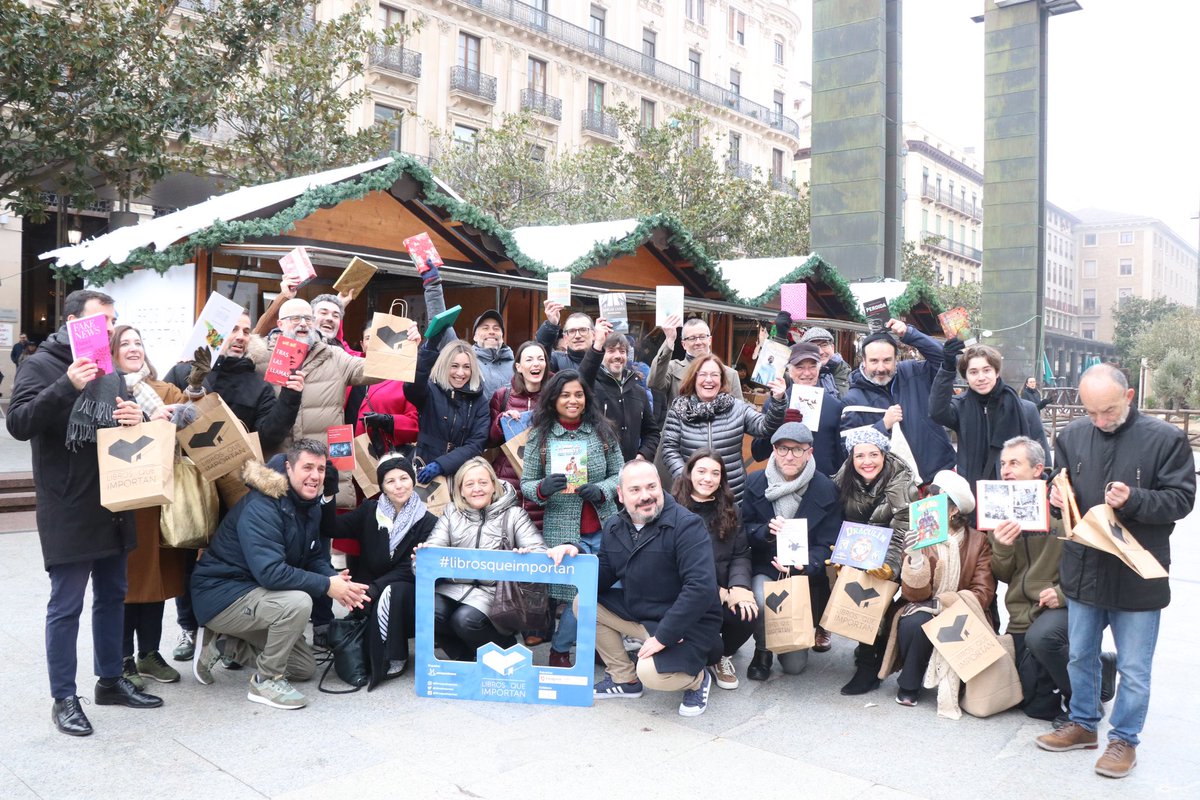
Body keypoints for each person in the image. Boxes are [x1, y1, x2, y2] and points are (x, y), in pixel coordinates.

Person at [7, 290, 163, 736]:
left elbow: (111, 427)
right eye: (102, 320)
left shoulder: (109, 369)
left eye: (113, 321)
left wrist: (132, 417)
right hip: (68, 505)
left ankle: (110, 680)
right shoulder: (40, 364)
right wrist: (68, 384)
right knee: (66, 605)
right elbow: (19, 424)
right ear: (74, 321)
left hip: (113, 498)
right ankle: (63, 698)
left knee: (114, 594)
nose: (110, 329)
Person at [1035, 364, 1195, 779]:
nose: (1100, 421)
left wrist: (1134, 499)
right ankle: (1084, 724)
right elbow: (1062, 488)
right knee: (1080, 655)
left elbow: (1182, 500)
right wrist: (1055, 495)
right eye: (1091, 412)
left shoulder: (1166, 439)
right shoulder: (1070, 435)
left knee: (1135, 668)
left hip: (1138, 570)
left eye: (1107, 411)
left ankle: (1124, 739)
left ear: (1128, 397)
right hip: (1085, 565)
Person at [164, 311, 304, 662]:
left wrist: (289, 396)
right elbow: (162, 412)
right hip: (190, 483)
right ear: (213, 335)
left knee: (235, 560)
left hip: (235, 487)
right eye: (232, 330)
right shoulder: (184, 370)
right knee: (187, 557)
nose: (240, 336)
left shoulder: (258, 384)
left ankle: (231, 637)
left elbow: (270, 435)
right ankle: (189, 628)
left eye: (245, 331)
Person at [191, 441, 368, 709]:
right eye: (307, 467)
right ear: (288, 467)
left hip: (257, 593)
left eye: (320, 468)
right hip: (221, 595)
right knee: (298, 603)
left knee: (303, 668)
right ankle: (265, 681)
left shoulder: (310, 505)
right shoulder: (263, 506)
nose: (315, 476)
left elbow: (312, 557)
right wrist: (326, 585)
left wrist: (337, 581)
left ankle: (224, 645)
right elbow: (271, 573)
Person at [991, 436, 1116, 725]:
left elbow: (1092, 559)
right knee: (1037, 707)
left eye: (1014, 463)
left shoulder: (1062, 501)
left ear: (1037, 469)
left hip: (1065, 604)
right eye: (1002, 464)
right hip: (1021, 613)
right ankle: (1102, 666)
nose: (1006, 470)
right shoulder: (997, 508)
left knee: (1043, 639)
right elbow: (1003, 575)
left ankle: (1086, 701)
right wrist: (1002, 545)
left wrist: (1060, 593)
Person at [587, 460, 723, 718]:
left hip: (688, 622)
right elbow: (601, 575)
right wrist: (575, 555)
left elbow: (700, 588)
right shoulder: (614, 526)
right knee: (583, 602)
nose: (645, 495)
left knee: (650, 673)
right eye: (635, 490)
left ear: (661, 486)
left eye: (651, 487)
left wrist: (666, 635)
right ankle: (624, 679)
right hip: (643, 612)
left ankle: (697, 679)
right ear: (620, 494)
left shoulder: (687, 525)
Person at [521, 370, 624, 667]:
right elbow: (527, 482)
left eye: (578, 394)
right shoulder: (540, 436)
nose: (573, 400)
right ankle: (561, 649)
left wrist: (602, 490)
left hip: (605, 525)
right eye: (565, 395)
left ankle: (598, 646)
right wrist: (542, 488)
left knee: (606, 591)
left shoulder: (601, 430)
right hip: (565, 530)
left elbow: (621, 472)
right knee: (578, 593)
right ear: (553, 399)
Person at [421, 458, 570, 660]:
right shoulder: (451, 514)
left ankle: (505, 649)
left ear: (494, 485)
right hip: (454, 588)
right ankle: (464, 659)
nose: (477, 489)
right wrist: (423, 556)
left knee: (464, 619)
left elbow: (539, 554)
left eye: (483, 483)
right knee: (425, 610)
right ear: (461, 491)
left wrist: (525, 557)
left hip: (498, 594)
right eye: (469, 484)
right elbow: (425, 562)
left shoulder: (514, 514)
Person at [110, 325, 192, 689]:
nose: (133, 348)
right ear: (110, 352)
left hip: (161, 500)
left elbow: (193, 419)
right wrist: (146, 421)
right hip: (125, 501)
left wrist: (183, 409)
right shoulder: (106, 390)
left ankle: (150, 653)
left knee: (158, 578)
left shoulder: (163, 390)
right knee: (128, 581)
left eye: (138, 342)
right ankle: (123, 658)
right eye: (124, 343)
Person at [879, 471, 995, 712]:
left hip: (962, 608)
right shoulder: (920, 534)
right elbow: (913, 595)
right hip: (923, 603)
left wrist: (942, 604)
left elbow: (983, 592)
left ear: (953, 510)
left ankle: (960, 684)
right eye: (928, 494)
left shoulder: (978, 541)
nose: (927, 500)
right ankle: (909, 685)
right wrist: (916, 557)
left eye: (935, 496)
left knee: (941, 619)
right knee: (915, 620)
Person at [323, 451, 437, 687]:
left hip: (402, 592)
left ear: (412, 480)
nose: (399, 486)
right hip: (367, 590)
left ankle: (395, 654)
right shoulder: (369, 511)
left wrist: (374, 589)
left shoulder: (427, 520)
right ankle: (374, 650)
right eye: (390, 481)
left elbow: (410, 567)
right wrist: (328, 493)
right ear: (382, 486)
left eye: (404, 478)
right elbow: (331, 527)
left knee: (395, 590)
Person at [742, 423, 844, 680]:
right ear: (774, 451)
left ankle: (793, 641)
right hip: (765, 566)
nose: (789, 456)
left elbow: (828, 541)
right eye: (783, 449)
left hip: (804, 576)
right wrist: (764, 531)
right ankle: (762, 650)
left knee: (794, 667)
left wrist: (806, 564)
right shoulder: (755, 481)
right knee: (761, 598)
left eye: (797, 450)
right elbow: (741, 528)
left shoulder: (825, 487)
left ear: (809, 452)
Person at [834, 426, 919, 695]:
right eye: (859, 456)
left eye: (873, 454)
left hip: (894, 549)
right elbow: (833, 514)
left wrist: (889, 567)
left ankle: (870, 666)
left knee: (871, 593)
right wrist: (837, 549)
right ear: (851, 459)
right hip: (857, 548)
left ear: (884, 455)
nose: (866, 461)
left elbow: (903, 529)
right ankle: (868, 647)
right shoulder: (843, 478)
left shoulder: (901, 481)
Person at [670, 450, 756, 690]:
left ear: (722, 479)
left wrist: (739, 586)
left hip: (724, 590)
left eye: (715, 473)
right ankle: (710, 652)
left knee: (747, 614)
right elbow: (667, 561)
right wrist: (711, 589)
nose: (708, 478)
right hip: (684, 594)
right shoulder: (672, 508)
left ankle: (724, 656)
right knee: (708, 650)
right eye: (701, 471)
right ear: (689, 474)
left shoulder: (730, 509)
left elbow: (740, 553)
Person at [841, 318, 955, 483]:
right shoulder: (852, 400)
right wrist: (883, 426)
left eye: (887, 360)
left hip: (938, 475)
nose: (881, 368)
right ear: (863, 362)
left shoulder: (914, 372)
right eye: (874, 361)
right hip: (891, 487)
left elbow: (946, 359)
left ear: (897, 359)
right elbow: (848, 451)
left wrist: (909, 334)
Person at [660, 354, 785, 501]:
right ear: (694, 378)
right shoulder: (679, 409)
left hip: (732, 494)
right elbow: (669, 449)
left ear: (721, 379)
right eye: (703, 374)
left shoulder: (736, 407)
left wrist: (778, 401)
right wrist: (687, 478)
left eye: (714, 375)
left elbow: (765, 427)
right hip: (692, 495)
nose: (709, 380)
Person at [929, 341, 1049, 486]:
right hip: (973, 494)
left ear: (996, 372)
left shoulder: (1026, 409)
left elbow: (1042, 457)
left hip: (1016, 493)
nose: (981, 377)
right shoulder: (960, 407)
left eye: (987, 370)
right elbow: (937, 411)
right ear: (966, 377)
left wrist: (1046, 487)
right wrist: (947, 368)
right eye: (973, 372)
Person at [403, 331, 491, 486]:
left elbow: (476, 444)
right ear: (445, 365)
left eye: (466, 367)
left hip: (461, 477)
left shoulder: (480, 401)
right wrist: (428, 350)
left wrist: (441, 465)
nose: (460, 373)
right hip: (422, 468)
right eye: (454, 366)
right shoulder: (431, 390)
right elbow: (412, 387)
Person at [752, 342, 847, 477]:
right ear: (789, 371)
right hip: (784, 483)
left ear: (819, 369)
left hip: (823, 485)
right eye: (799, 367)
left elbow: (840, 455)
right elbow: (758, 452)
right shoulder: (775, 403)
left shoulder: (834, 406)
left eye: (812, 366)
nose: (807, 373)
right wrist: (777, 423)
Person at [578, 319, 661, 463]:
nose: (618, 356)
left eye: (622, 351)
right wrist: (598, 343)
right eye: (611, 351)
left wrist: (642, 456)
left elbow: (652, 432)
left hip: (630, 470)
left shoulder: (639, 392)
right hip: (598, 469)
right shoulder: (590, 386)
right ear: (602, 355)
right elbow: (582, 377)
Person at [488, 341, 549, 530]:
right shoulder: (503, 395)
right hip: (508, 478)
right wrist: (501, 421)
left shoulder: (554, 397)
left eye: (540, 359)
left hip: (543, 477)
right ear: (518, 367)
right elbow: (489, 440)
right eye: (529, 359)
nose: (535, 364)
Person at [648, 314, 742, 404]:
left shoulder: (730, 374)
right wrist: (669, 340)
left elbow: (739, 412)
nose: (698, 342)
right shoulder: (672, 369)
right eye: (692, 338)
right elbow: (654, 384)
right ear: (683, 344)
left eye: (702, 337)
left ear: (709, 340)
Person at [535, 301, 594, 371]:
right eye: (572, 331)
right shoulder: (557, 360)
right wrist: (551, 324)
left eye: (583, 330)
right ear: (565, 338)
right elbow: (542, 350)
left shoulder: (605, 360)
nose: (577, 335)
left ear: (594, 335)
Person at [800, 326, 850, 397]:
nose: (820, 352)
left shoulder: (844, 371)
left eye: (824, 345)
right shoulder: (797, 373)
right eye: (813, 347)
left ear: (832, 347)